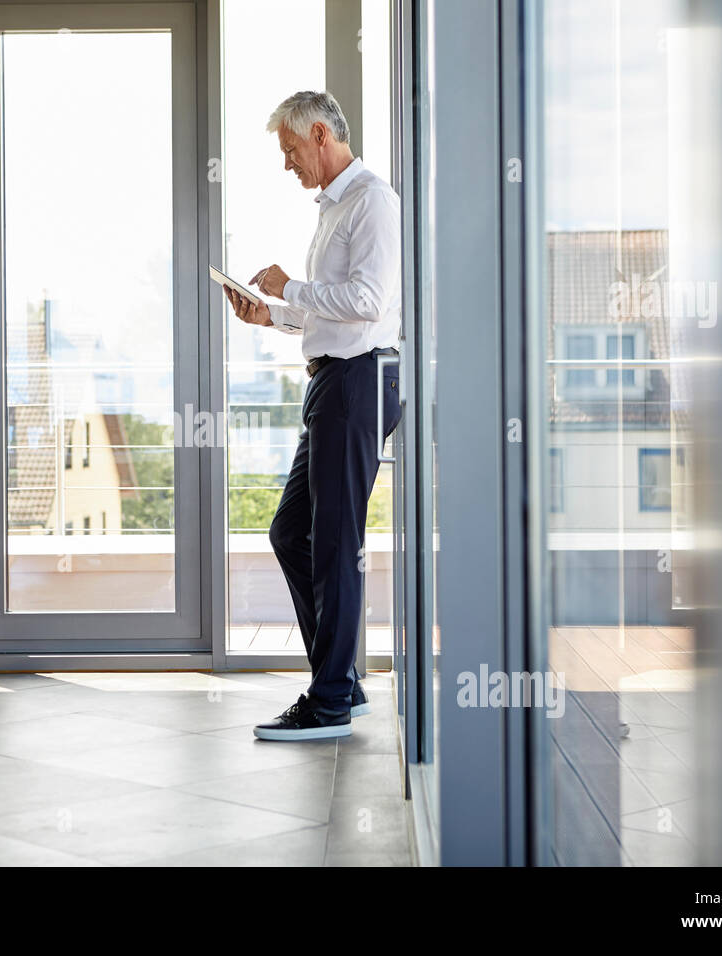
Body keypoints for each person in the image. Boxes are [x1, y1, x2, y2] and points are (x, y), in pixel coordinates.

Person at [224, 90, 403, 741]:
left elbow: (366, 299)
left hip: (360, 381)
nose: (288, 164)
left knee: (333, 542)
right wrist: (267, 312)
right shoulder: (333, 211)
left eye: (291, 150)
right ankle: (342, 682)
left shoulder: (373, 202)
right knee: (290, 532)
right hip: (331, 383)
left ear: (321, 134)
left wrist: (288, 287)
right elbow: (330, 309)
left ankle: (328, 699)